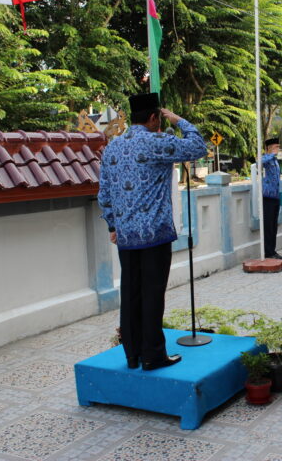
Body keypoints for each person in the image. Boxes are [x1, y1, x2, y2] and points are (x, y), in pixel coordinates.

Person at [98, 92, 207, 371]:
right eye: (160, 117)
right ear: (153, 117)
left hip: (125, 236)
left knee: (130, 295)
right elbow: (198, 147)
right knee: (152, 295)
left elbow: (104, 192)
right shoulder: (157, 142)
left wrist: (112, 225)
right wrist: (179, 120)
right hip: (154, 234)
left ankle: (132, 355)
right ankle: (153, 356)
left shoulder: (112, 146)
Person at [261, 137, 282, 260]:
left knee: (274, 225)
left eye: (278, 147)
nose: (278, 149)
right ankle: (268, 252)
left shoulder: (275, 161)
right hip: (267, 196)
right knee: (268, 226)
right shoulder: (266, 158)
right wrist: (271, 154)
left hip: (275, 195)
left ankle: (272, 250)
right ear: (269, 148)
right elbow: (260, 162)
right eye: (276, 147)